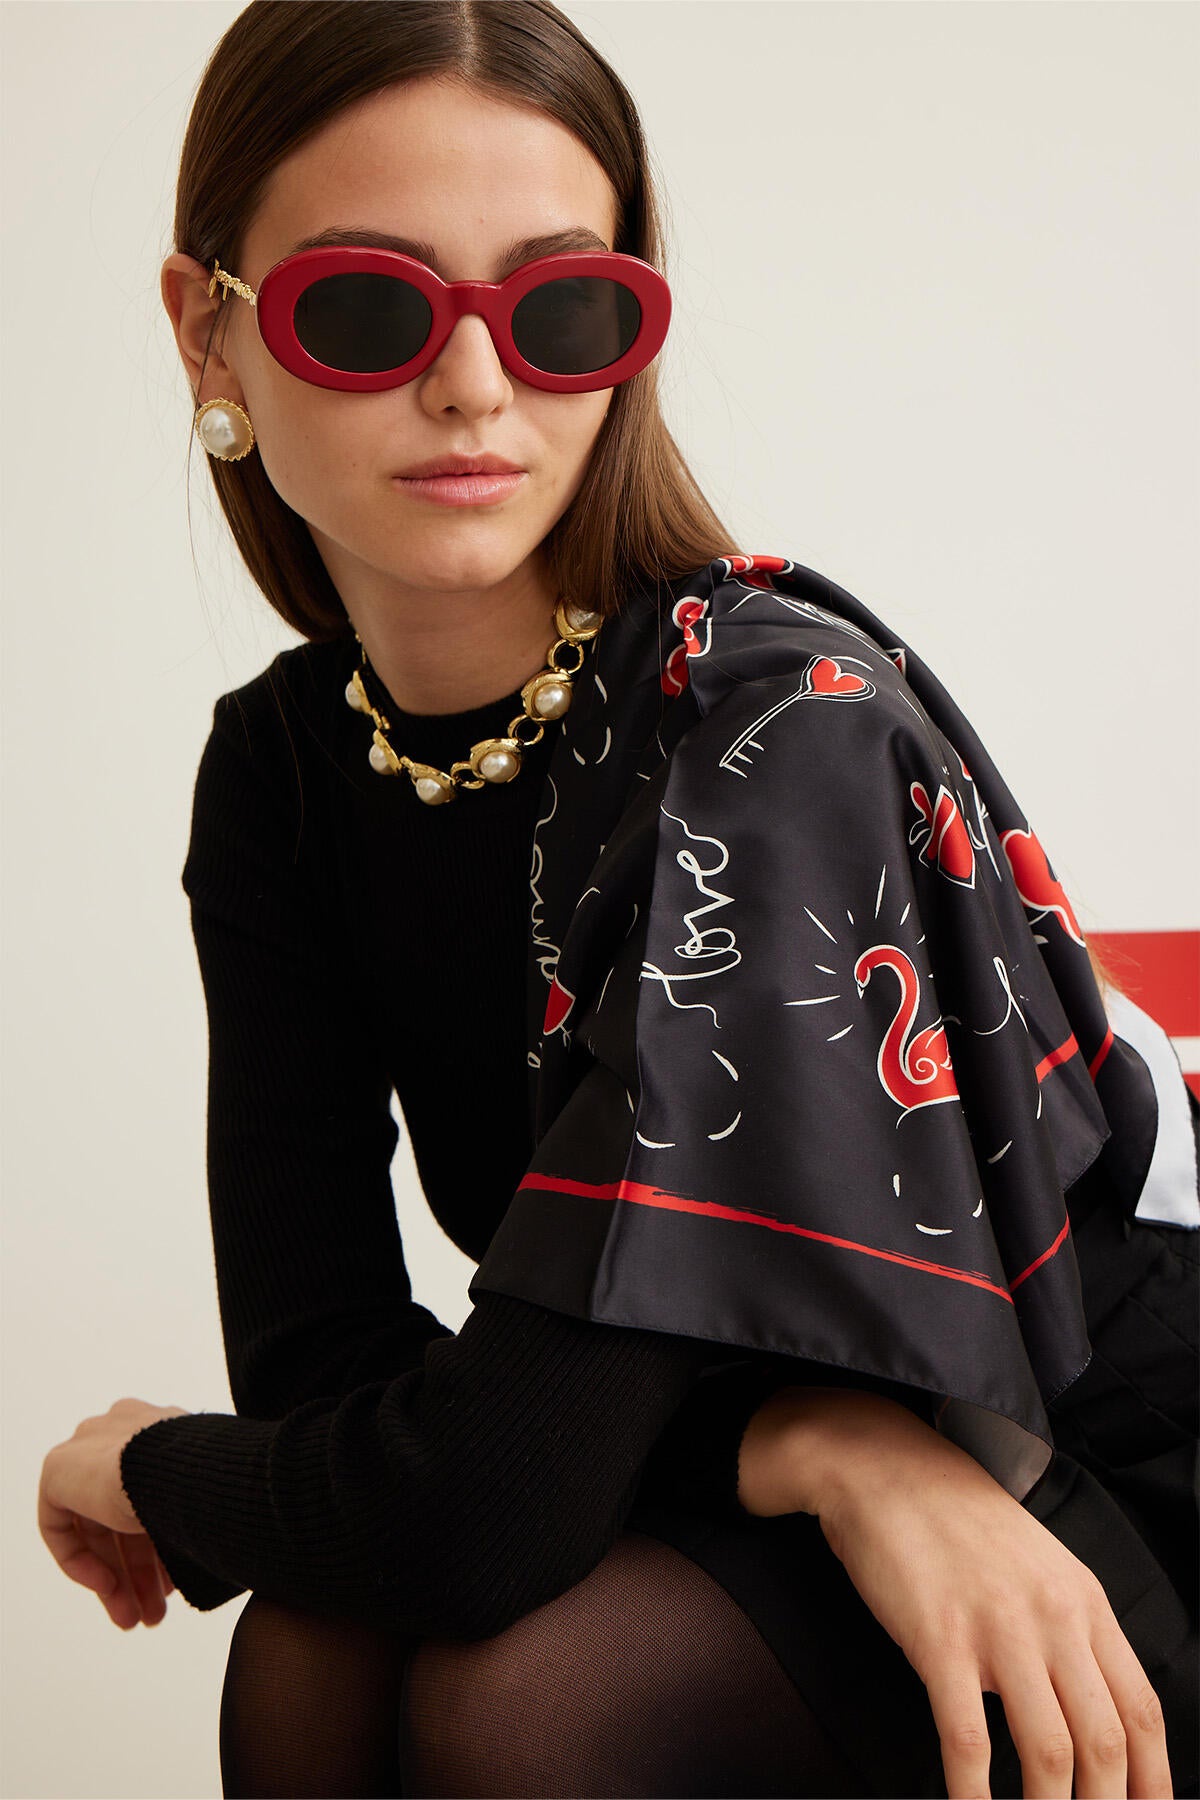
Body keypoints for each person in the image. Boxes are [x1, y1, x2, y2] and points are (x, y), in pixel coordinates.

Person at [37, 4, 1198, 1797]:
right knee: (321, 1636)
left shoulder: (770, 731)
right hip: (820, 1475)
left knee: (527, 1695)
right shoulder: (282, 771)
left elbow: (490, 1505)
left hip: (1079, 1484)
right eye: (369, 308)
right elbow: (330, 1372)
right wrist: (816, 1449)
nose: (474, 386)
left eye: (562, 308)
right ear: (211, 327)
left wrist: (140, 1470)